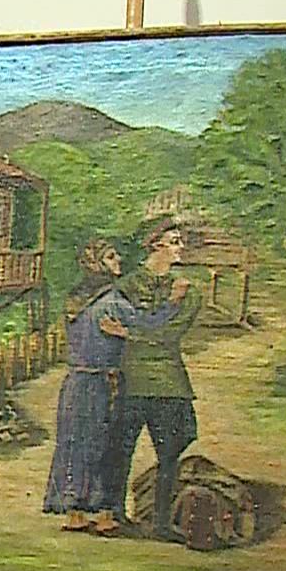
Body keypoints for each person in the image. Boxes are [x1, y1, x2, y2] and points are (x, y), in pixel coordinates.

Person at [43, 240, 187, 534]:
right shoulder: (112, 301)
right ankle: (104, 515)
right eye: (110, 256)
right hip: (103, 383)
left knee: (75, 444)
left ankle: (74, 514)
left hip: (75, 384)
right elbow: (149, 324)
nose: (118, 258)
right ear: (97, 264)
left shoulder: (75, 300)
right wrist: (173, 301)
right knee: (106, 445)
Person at [105, 220, 205, 539]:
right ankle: (115, 514)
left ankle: (162, 523)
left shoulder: (188, 291)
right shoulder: (125, 287)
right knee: (120, 450)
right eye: (174, 240)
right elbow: (110, 327)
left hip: (168, 382)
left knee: (170, 454)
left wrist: (128, 334)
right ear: (155, 245)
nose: (181, 247)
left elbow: (169, 336)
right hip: (131, 380)